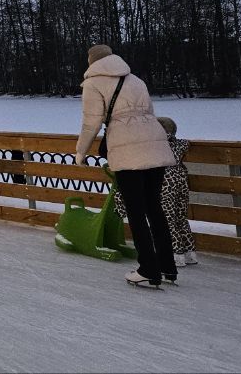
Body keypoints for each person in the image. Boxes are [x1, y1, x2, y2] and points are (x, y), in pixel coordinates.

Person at [76, 44, 179, 288]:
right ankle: (167, 267)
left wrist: (81, 151)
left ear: (91, 62)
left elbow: (91, 123)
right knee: (154, 207)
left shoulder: (93, 83)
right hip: (155, 144)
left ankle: (148, 269)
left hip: (126, 148)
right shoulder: (135, 79)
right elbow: (151, 114)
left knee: (136, 210)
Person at [115, 116, 197, 267]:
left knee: (167, 218)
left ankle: (175, 254)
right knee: (180, 217)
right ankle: (190, 253)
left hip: (164, 181)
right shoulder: (179, 144)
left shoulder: (155, 145)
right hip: (180, 179)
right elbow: (185, 143)